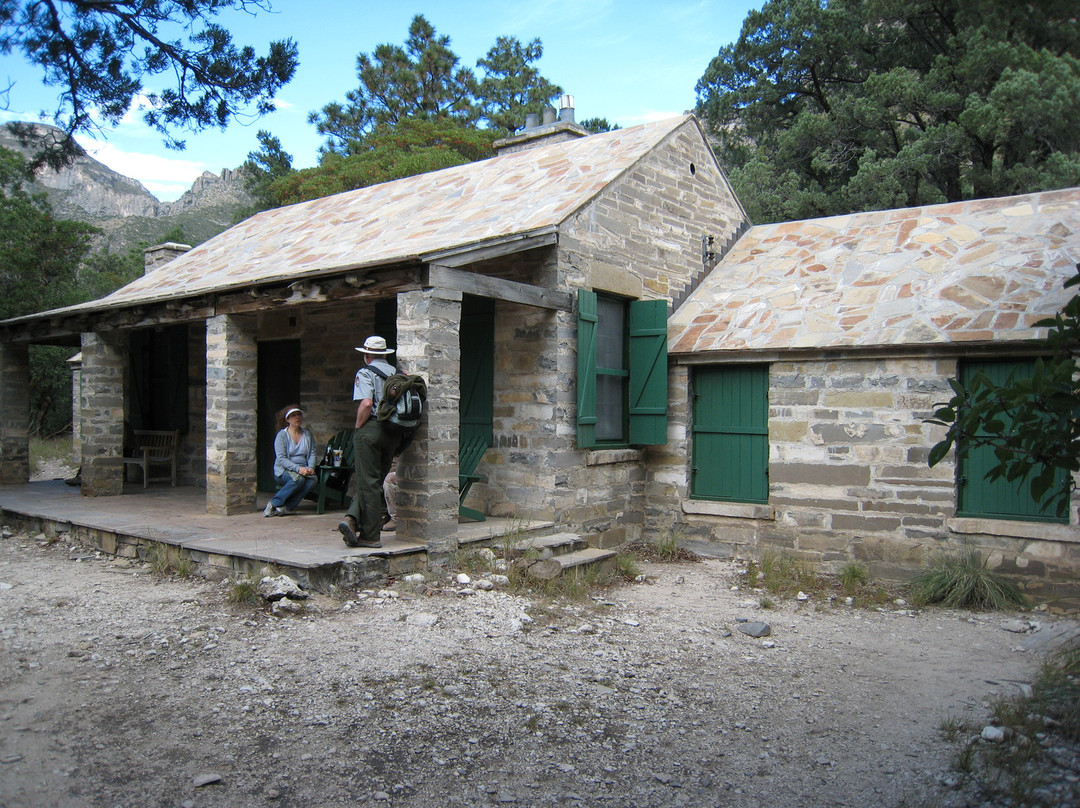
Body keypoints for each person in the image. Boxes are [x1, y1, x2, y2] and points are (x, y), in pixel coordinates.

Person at [339, 336, 408, 547]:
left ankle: (370, 536)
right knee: (375, 480)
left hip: (372, 427)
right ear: (384, 354)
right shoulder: (399, 375)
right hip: (394, 432)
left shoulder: (365, 372)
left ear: (367, 355)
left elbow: (367, 403)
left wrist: (359, 427)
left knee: (367, 482)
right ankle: (351, 519)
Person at [264, 405, 317, 517]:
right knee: (299, 479)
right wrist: (298, 469)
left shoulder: (307, 434)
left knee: (312, 480)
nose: (297, 417)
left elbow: (312, 452)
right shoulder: (282, 435)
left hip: (304, 469)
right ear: (287, 419)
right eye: (293, 416)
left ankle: (286, 507)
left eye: (299, 415)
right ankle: (274, 503)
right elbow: (281, 458)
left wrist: (311, 467)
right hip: (285, 471)